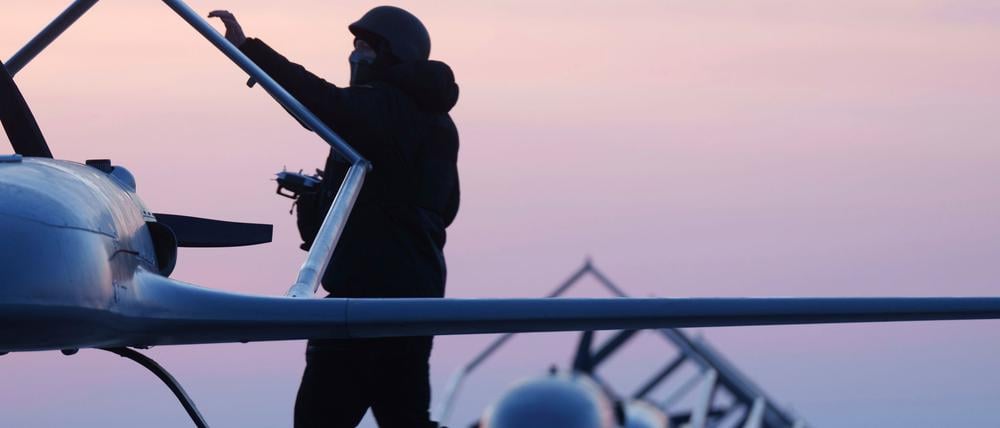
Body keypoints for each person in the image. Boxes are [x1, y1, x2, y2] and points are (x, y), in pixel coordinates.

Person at [209, 7, 459, 428]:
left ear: (393, 53)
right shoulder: (436, 122)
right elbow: (442, 207)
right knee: (407, 420)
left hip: (365, 303)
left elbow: (320, 101)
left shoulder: (385, 105)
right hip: (415, 298)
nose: (354, 55)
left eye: (364, 46)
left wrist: (249, 50)